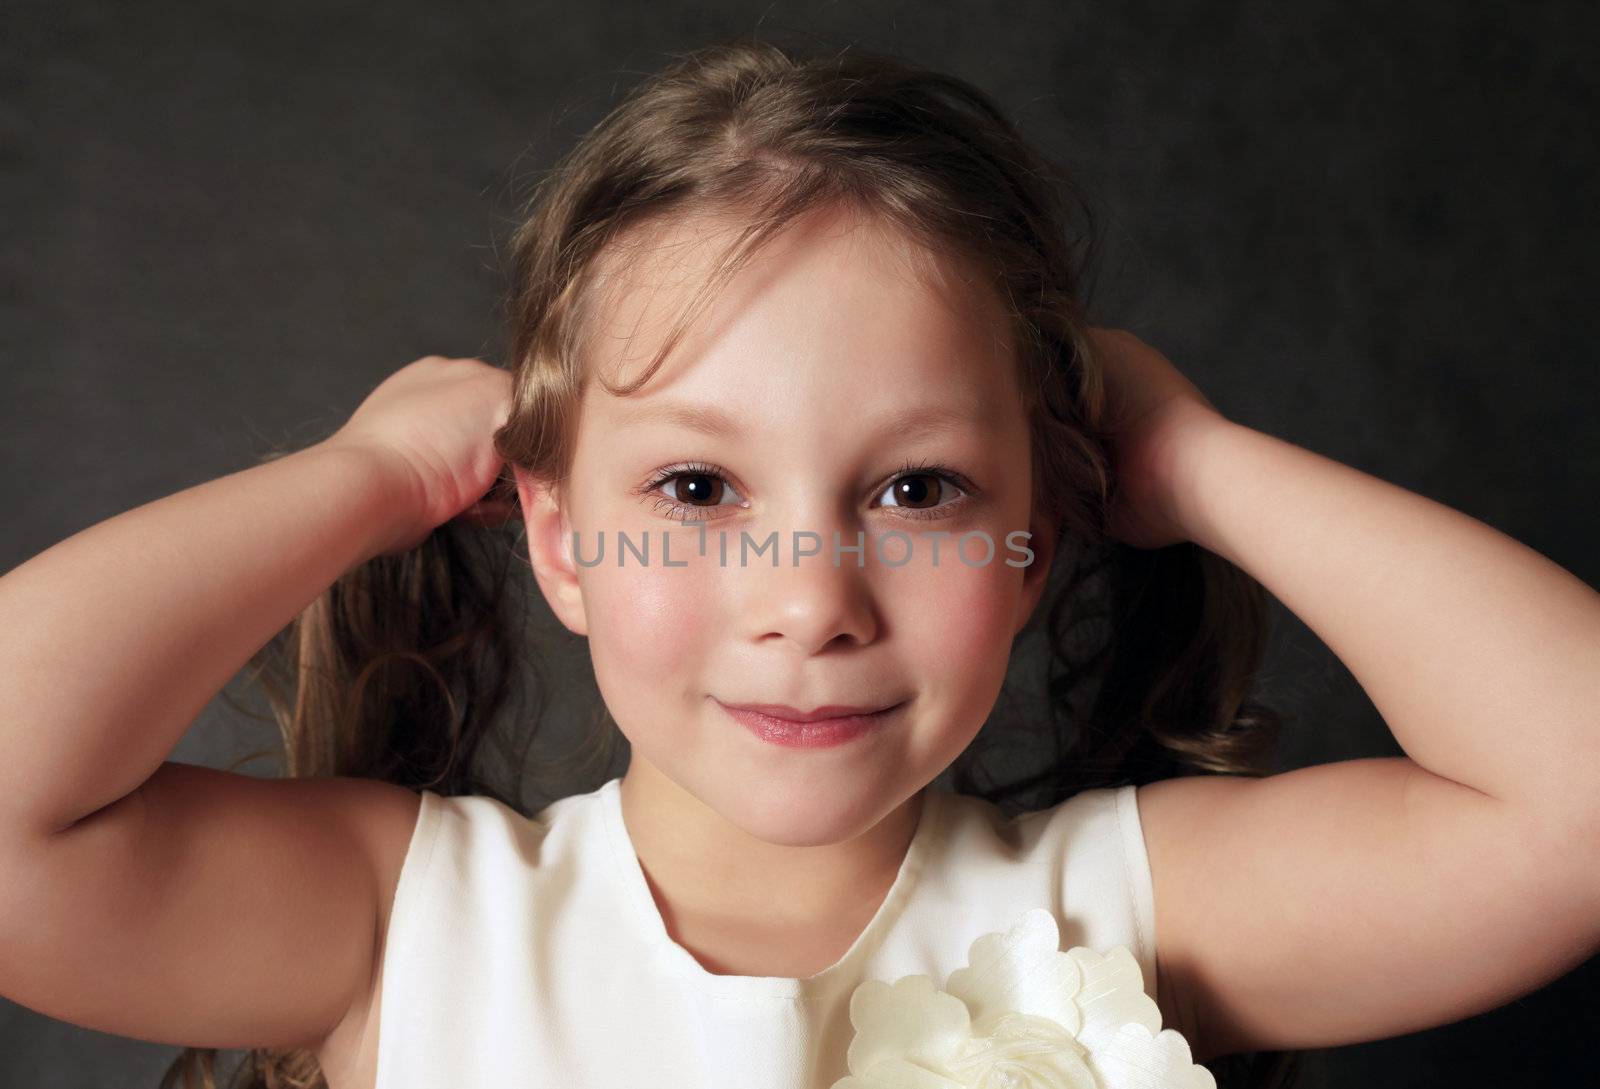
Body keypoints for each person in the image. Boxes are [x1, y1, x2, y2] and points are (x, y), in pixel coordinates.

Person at [2, 33, 1597, 1089]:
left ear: (1037, 536)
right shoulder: (409, 926)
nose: (810, 600)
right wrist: (371, 478)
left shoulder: (1119, 918)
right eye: (695, 482)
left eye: (920, 485)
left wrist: (1191, 455)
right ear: (557, 540)